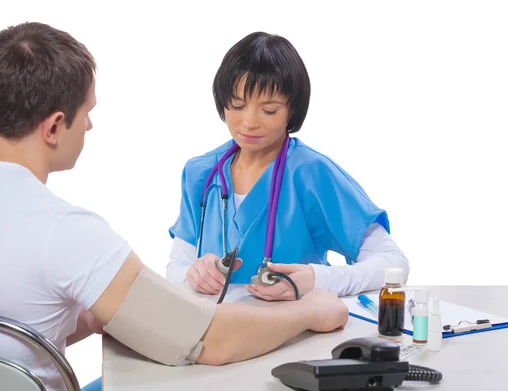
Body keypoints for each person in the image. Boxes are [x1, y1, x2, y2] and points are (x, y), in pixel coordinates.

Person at [0, 23, 349, 391]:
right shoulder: (64, 231)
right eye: (86, 113)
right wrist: (311, 312)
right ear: (54, 126)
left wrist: (98, 312)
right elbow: (208, 339)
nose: (90, 126)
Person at [166, 31, 410, 301]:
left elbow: (393, 263)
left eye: (269, 110)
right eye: (236, 105)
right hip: (216, 333)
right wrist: (192, 273)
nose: (248, 122)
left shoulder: (311, 174)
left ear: (292, 109)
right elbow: (176, 268)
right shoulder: (200, 174)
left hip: (296, 335)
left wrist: (318, 280)